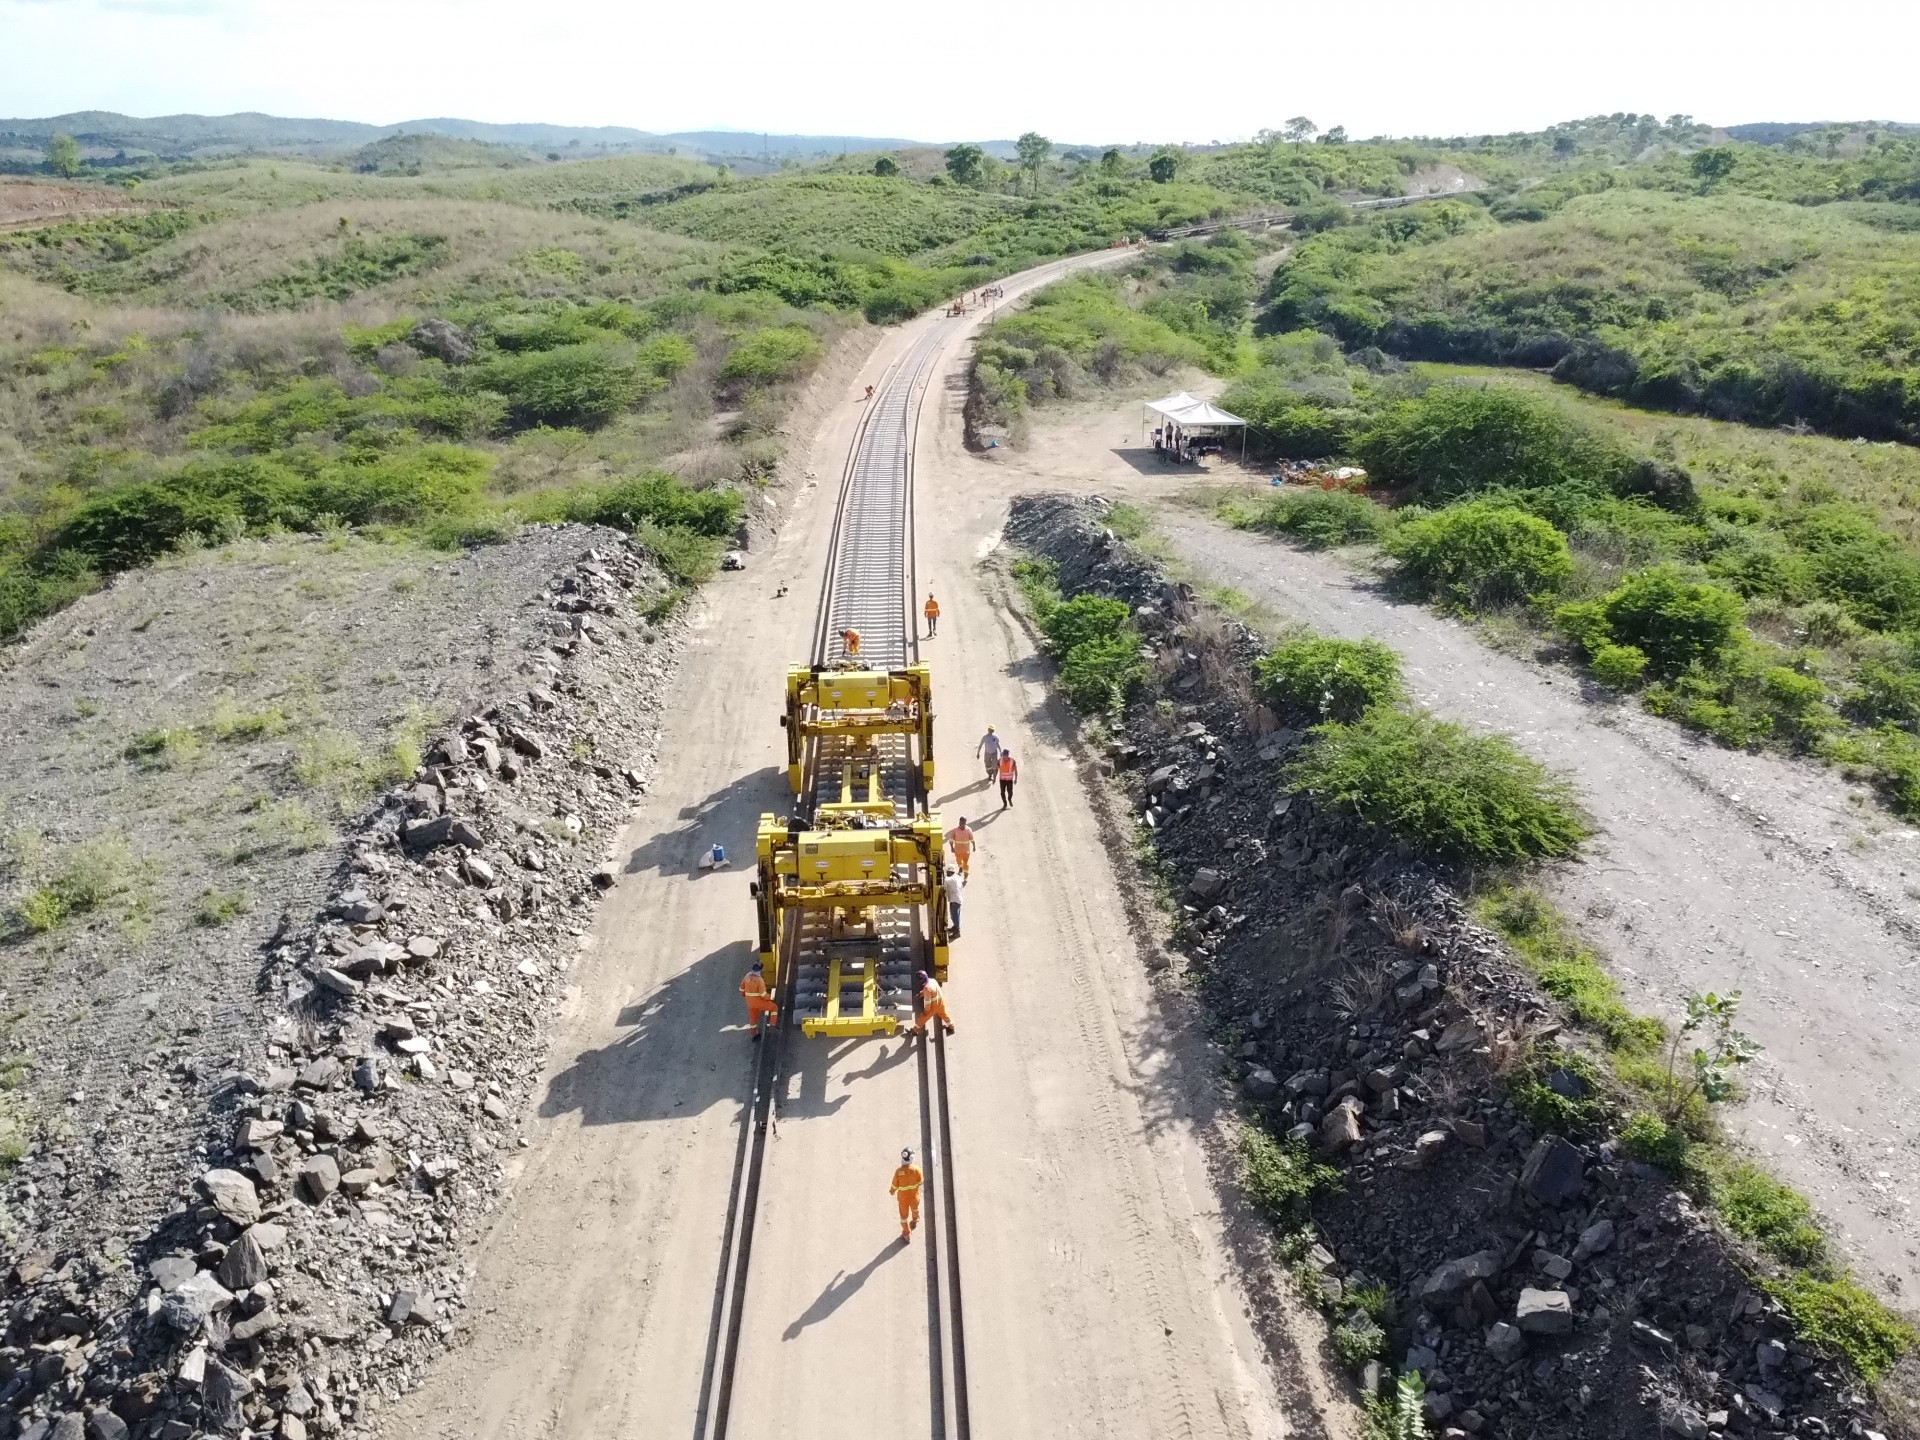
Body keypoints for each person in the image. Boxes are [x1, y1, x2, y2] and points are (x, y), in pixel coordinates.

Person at [739, 960, 778, 1040]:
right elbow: (763, 994)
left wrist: (746, 996)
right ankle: (772, 1025)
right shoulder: (759, 980)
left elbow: (741, 989)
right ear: (760, 970)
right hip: (758, 1002)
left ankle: (753, 1034)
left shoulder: (747, 976)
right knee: (774, 1008)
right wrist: (770, 997)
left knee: (753, 1018)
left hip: (750, 1003)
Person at [891, 1148, 923, 1242]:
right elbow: (921, 1182)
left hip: (903, 1199)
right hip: (914, 1197)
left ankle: (906, 1233)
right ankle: (915, 1220)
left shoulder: (898, 1172)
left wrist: (892, 1191)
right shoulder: (916, 1169)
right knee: (915, 1209)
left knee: (904, 1217)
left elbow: (894, 1184)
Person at [915, 970, 954, 1036]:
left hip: (935, 1005)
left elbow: (927, 1002)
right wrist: (921, 994)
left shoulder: (927, 988)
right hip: (941, 1001)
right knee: (944, 1014)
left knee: (924, 1017)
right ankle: (951, 1027)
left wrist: (926, 1011)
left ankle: (914, 1030)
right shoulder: (932, 980)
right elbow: (931, 991)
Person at [942, 865, 964, 939]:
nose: (947, 873)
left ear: (950, 872)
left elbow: (944, 880)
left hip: (955, 900)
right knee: (956, 915)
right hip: (958, 899)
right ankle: (955, 928)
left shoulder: (951, 879)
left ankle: (957, 932)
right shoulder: (957, 877)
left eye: (947, 872)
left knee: (954, 916)